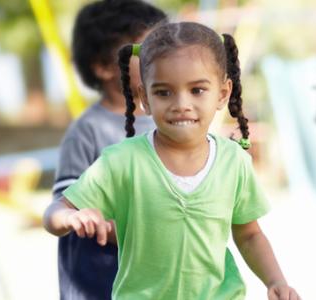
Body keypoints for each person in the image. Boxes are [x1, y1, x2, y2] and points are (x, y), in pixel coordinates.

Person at [44, 22, 300, 300]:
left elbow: (249, 234)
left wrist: (275, 280)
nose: (181, 104)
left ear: (223, 94)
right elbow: (53, 214)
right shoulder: (122, 161)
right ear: (145, 98)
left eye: (197, 90)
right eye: (164, 92)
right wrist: (71, 216)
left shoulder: (234, 161)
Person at [51, 1, 167, 298]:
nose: (163, 57)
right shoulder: (88, 131)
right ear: (103, 67)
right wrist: (74, 218)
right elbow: (60, 208)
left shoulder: (175, 120)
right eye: (146, 50)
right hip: (103, 280)